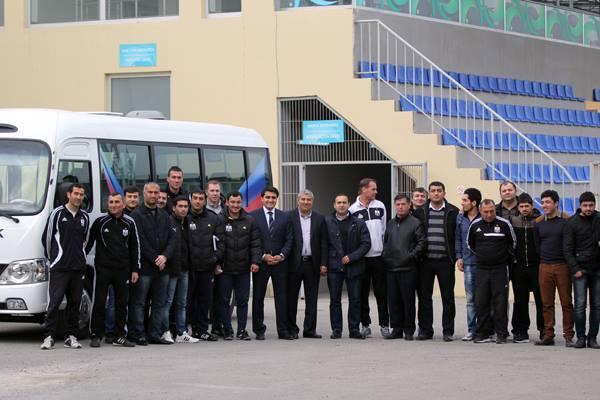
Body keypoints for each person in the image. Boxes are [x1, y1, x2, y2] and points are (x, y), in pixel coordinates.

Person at [40, 183, 90, 350]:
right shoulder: (57, 214)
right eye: (76, 193)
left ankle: (71, 336)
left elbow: (85, 241)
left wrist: (80, 258)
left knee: (75, 302)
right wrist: (53, 259)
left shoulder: (85, 217)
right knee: (54, 303)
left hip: (78, 268)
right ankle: (49, 337)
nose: (78, 197)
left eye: (81, 194)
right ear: (69, 195)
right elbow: (47, 239)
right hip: (59, 267)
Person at [86, 192, 139, 348]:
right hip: (103, 269)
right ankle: (96, 335)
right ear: (107, 204)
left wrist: (135, 269)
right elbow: (87, 244)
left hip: (123, 270)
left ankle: (119, 335)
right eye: (111, 202)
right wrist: (80, 262)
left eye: (117, 202)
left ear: (123, 204)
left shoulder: (129, 222)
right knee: (99, 302)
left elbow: (135, 247)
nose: (114, 205)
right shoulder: (100, 222)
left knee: (121, 304)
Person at [128, 182, 177, 345]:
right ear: (144, 194)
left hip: (162, 268)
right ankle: (138, 333)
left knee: (160, 303)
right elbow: (139, 240)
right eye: (150, 192)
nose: (154, 195)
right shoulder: (136, 215)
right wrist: (156, 258)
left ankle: (154, 333)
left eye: (156, 193)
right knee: (139, 303)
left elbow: (172, 239)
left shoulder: (164, 215)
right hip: (144, 268)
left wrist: (165, 256)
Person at [413, 181, 459, 341]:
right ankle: (426, 330)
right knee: (424, 297)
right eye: (433, 191)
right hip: (425, 261)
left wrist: (456, 257)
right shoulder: (420, 212)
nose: (436, 193)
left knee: (448, 297)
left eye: (439, 190)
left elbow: (457, 236)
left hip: (446, 261)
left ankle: (448, 331)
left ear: (444, 193)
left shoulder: (453, 211)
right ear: (429, 194)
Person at [467, 199, 516, 344]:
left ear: (495, 210)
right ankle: (483, 333)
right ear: (480, 211)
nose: (489, 214)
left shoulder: (504, 224)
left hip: (500, 269)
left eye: (492, 211)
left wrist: (501, 257)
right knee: (481, 301)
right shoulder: (475, 225)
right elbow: (470, 244)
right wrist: (484, 256)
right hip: (481, 269)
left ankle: (501, 333)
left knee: (500, 302)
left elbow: (512, 243)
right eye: (486, 212)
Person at [250, 186, 294, 340]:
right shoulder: (253, 216)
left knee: (282, 298)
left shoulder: (285, 217)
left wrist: (281, 256)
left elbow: (290, 239)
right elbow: (252, 240)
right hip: (261, 263)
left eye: (273, 197)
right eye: (267, 197)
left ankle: (283, 330)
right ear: (262, 198)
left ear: (276, 199)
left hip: (280, 264)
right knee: (258, 298)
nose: (270, 200)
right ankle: (259, 330)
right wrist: (263, 256)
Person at [325, 193, 371, 339]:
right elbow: (323, 244)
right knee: (335, 300)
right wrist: (324, 264)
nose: (341, 205)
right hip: (334, 266)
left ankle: (354, 329)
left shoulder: (359, 223)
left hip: (354, 266)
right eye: (339, 202)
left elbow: (366, 244)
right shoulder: (327, 222)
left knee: (355, 299)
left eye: (344, 202)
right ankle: (336, 329)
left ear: (349, 204)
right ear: (334, 205)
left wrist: (351, 257)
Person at [218, 191, 262, 340]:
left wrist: (255, 261)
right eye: (233, 202)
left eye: (238, 202)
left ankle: (242, 331)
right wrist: (216, 263)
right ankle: (227, 331)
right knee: (224, 301)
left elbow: (255, 243)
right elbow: (216, 243)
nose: (235, 205)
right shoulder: (219, 219)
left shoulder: (250, 220)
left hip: (243, 269)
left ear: (241, 203)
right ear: (227, 203)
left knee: (243, 301)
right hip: (225, 269)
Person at [349, 178, 389, 338]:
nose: (376, 192)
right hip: (362, 259)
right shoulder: (352, 210)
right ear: (364, 189)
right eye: (373, 189)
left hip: (378, 257)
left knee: (381, 293)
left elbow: (384, 230)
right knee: (362, 293)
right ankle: (365, 324)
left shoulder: (380, 206)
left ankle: (384, 325)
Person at [382, 194, 426, 340]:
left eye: (403, 204)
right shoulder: (390, 223)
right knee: (393, 301)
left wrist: (410, 257)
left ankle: (408, 329)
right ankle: (396, 328)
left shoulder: (415, 223)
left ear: (409, 205)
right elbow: (386, 242)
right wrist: (385, 256)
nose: (400, 207)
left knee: (408, 301)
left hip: (408, 268)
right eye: (398, 204)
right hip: (391, 268)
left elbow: (421, 243)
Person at [534, 190, 574, 347]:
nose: (544, 205)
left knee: (566, 303)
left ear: (556, 203)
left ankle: (569, 336)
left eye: (548, 202)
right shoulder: (538, 223)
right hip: (544, 266)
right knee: (546, 303)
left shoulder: (566, 220)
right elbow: (537, 246)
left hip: (562, 266)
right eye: (543, 202)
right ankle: (548, 335)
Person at [287, 190, 328, 339]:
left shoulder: (320, 218)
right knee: (291, 299)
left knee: (312, 299)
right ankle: (292, 329)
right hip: (294, 263)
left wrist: (323, 263)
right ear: (298, 201)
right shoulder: (289, 216)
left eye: (308, 200)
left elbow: (324, 242)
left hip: (312, 263)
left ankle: (310, 330)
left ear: (312, 202)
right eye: (303, 199)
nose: (306, 202)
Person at [187, 188, 225, 341]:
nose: (198, 201)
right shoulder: (185, 217)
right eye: (195, 198)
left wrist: (215, 259)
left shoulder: (213, 218)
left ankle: (202, 330)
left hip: (207, 267)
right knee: (188, 300)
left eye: (200, 198)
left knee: (205, 300)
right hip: (189, 268)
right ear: (190, 200)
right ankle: (185, 330)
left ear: (205, 200)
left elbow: (221, 242)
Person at [563, 191, 600, 349]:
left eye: (591, 205)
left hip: (597, 269)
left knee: (597, 305)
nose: (588, 208)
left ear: (595, 205)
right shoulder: (572, 222)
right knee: (580, 305)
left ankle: (592, 338)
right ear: (580, 206)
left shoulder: (599, 219)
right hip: (580, 270)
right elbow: (567, 249)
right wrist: (575, 268)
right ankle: (580, 337)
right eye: (585, 205)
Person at [509, 193, 544, 343]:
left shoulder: (540, 220)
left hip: (537, 266)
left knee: (541, 300)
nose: (524, 209)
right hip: (519, 267)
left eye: (527, 206)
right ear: (518, 207)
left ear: (532, 206)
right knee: (520, 300)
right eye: (521, 206)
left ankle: (544, 330)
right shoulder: (513, 221)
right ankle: (520, 331)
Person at [165, 195, 199, 344]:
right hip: (172, 269)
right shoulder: (168, 222)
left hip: (185, 269)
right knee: (167, 302)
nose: (183, 209)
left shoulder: (189, 222)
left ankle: (181, 332)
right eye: (180, 206)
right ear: (174, 208)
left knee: (182, 303)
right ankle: (165, 331)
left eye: (186, 206)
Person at [454, 188, 482, 341]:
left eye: (465, 200)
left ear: (474, 202)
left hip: (484, 264)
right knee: (470, 300)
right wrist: (459, 257)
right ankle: (472, 330)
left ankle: (486, 329)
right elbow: (458, 238)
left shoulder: (484, 216)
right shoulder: (460, 218)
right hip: (468, 263)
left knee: (485, 298)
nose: (462, 203)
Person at [205, 179, 226, 337]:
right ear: (206, 192)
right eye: (212, 190)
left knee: (221, 296)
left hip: (224, 259)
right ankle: (202, 328)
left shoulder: (226, 210)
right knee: (206, 296)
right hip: (206, 261)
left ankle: (218, 327)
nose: (214, 193)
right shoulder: (200, 211)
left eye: (217, 191)